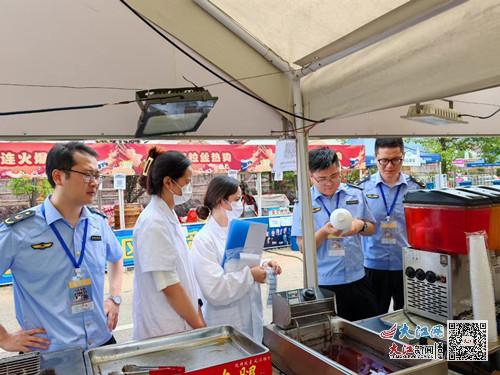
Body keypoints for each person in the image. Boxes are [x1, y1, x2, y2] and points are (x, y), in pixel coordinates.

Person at [0, 142, 124, 353]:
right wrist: (4, 339)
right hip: (50, 354)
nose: (94, 183)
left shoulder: (98, 224)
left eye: (97, 175)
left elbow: (117, 258)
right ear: (58, 177)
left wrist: (115, 298)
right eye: (86, 174)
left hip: (101, 344)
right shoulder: (18, 231)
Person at [291, 147, 378, 321]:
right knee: (333, 338)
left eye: (334, 176)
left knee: (368, 329)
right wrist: (323, 232)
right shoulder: (304, 203)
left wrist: (359, 226)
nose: (329, 183)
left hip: (358, 278)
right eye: (322, 179)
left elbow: (372, 228)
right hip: (325, 284)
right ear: (311, 176)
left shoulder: (355, 194)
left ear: (340, 170)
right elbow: (303, 247)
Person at [191, 176, 281, 342]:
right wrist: (250, 275)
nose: (241, 204)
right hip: (224, 323)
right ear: (221, 201)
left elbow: (245, 261)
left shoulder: (241, 229)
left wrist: (264, 264)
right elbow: (214, 290)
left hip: (250, 317)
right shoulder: (204, 240)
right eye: (237, 199)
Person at [132, 148, 205, 340]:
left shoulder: (168, 215)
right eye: (186, 182)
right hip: (163, 327)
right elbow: (169, 285)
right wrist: (199, 326)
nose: (189, 188)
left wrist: (197, 313)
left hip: (179, 323)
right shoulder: (153, 222)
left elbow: (184, 274)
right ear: (168, 182)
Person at [358, 138, 425, 314]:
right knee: (373, 318)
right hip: (373, 265)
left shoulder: (416, 189)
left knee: (410, 317)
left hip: (407, 265)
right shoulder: (363, 189)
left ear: (402, 157)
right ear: (376, 158)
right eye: (384, 160)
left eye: (395, 160)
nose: (389, 166)